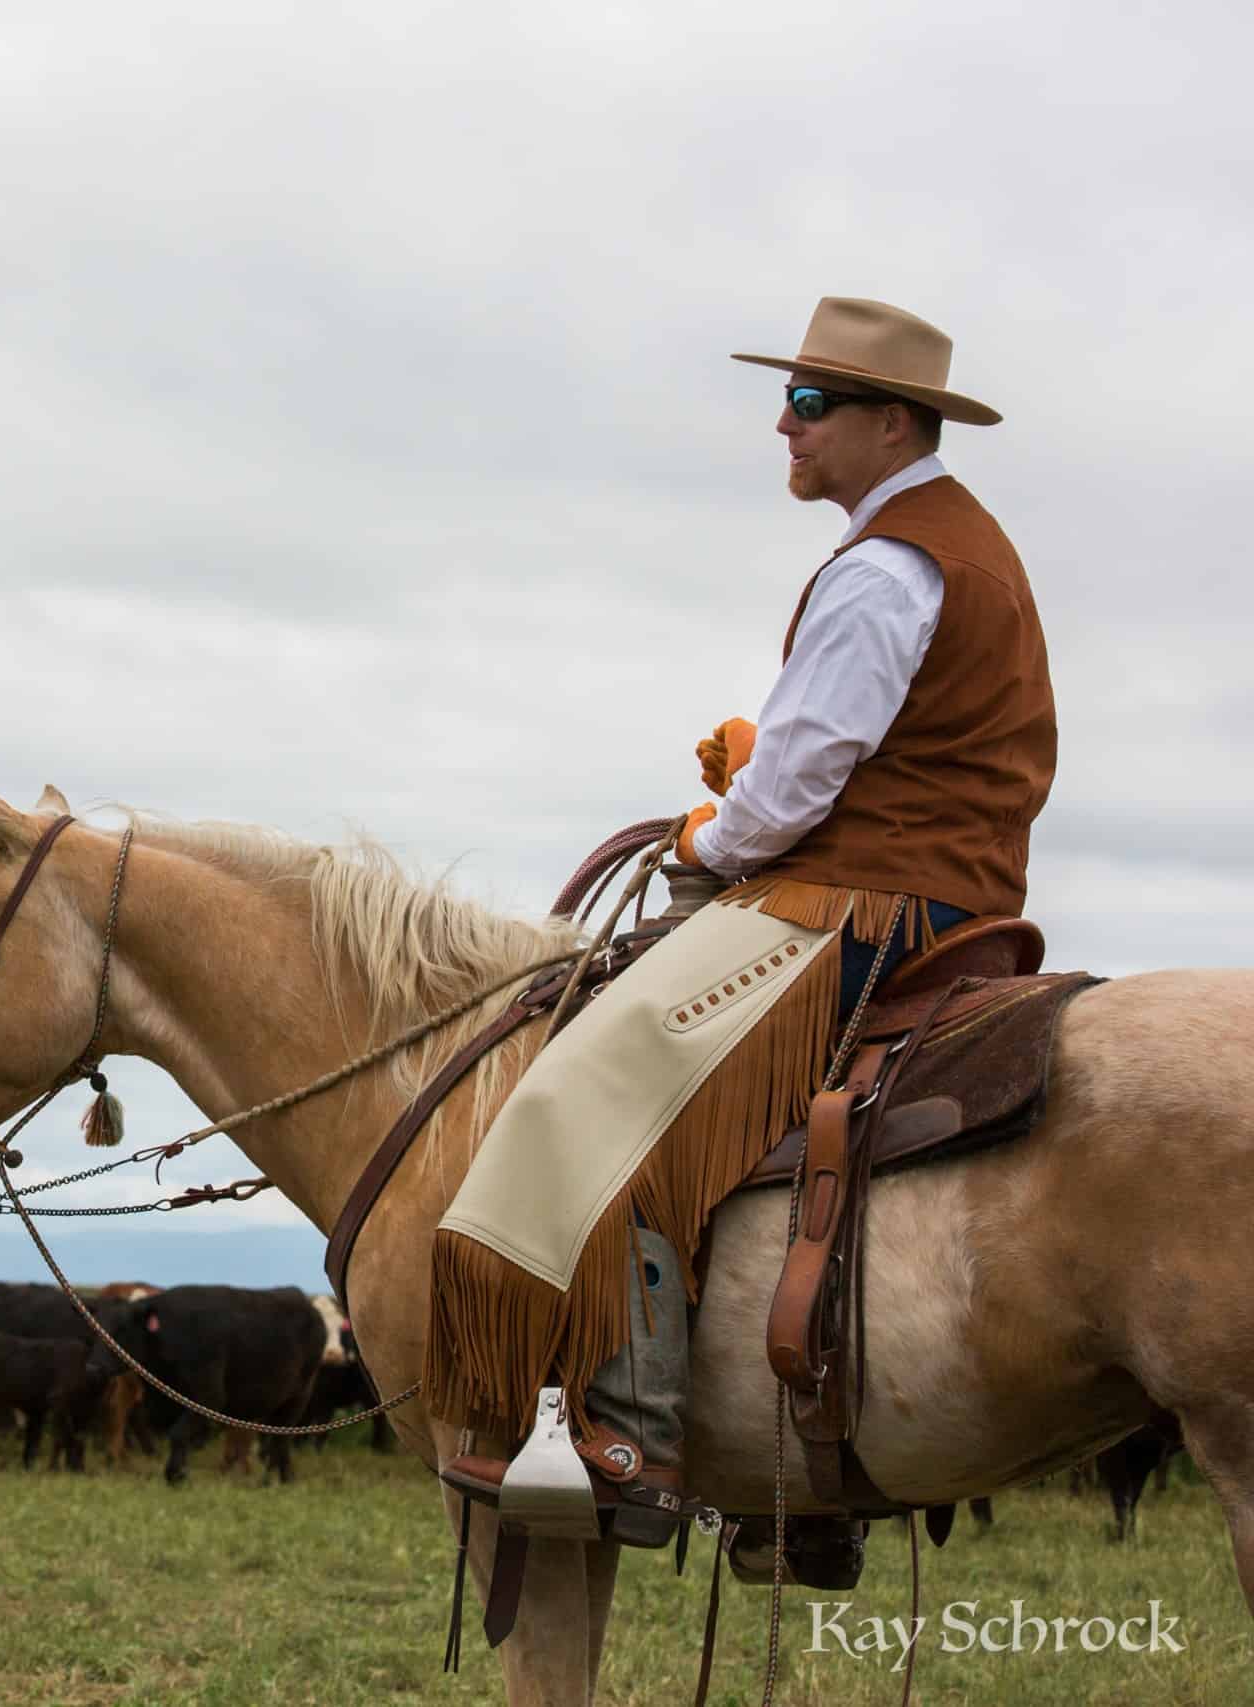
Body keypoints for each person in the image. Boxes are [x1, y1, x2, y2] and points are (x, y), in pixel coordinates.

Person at [429, 298, 1055, 1545]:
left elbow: (796, 789)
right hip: (946, 892)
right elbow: (864, 751)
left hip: (854, 904)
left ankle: (626, 1430)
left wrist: (701, 838)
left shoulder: (885, 569)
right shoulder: (953, 548)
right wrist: (765, 775)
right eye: (788, 399)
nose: (784, 422)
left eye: (811, 405)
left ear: (890, 422)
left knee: (583, 1091)